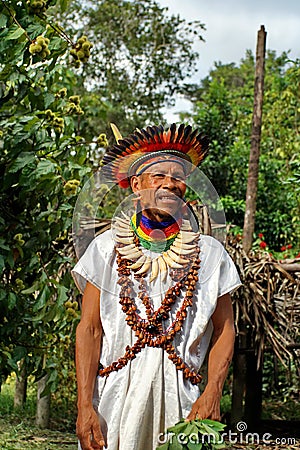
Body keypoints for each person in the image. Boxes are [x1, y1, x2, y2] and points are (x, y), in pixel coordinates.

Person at [72, 123, 241, 450]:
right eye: (158, 175)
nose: (170, 184)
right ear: (136, 185)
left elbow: (225, 329)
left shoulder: (209, 254)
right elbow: (90, 329)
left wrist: (212, 394)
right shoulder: (106, 249)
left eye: (178, 177)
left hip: (182, 401)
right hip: (115, 399)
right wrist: (84, 406)